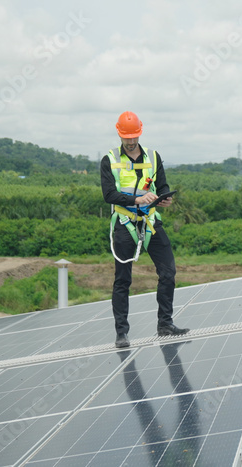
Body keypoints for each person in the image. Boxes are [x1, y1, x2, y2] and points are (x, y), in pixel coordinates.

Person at [101, 111, 189, 348]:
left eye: (134, 137)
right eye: (126, 137)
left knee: (168, 272)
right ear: (120, 134)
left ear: (140, 132)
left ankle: (165, 324)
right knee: (123, 279)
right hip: (125, 223)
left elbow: (163, 185)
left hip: (151, 222)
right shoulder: (109, 159)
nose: (131, 142)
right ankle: (121, 332)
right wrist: (137, 199)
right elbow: (109, 195)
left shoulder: (153, 156)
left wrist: (164, 198)